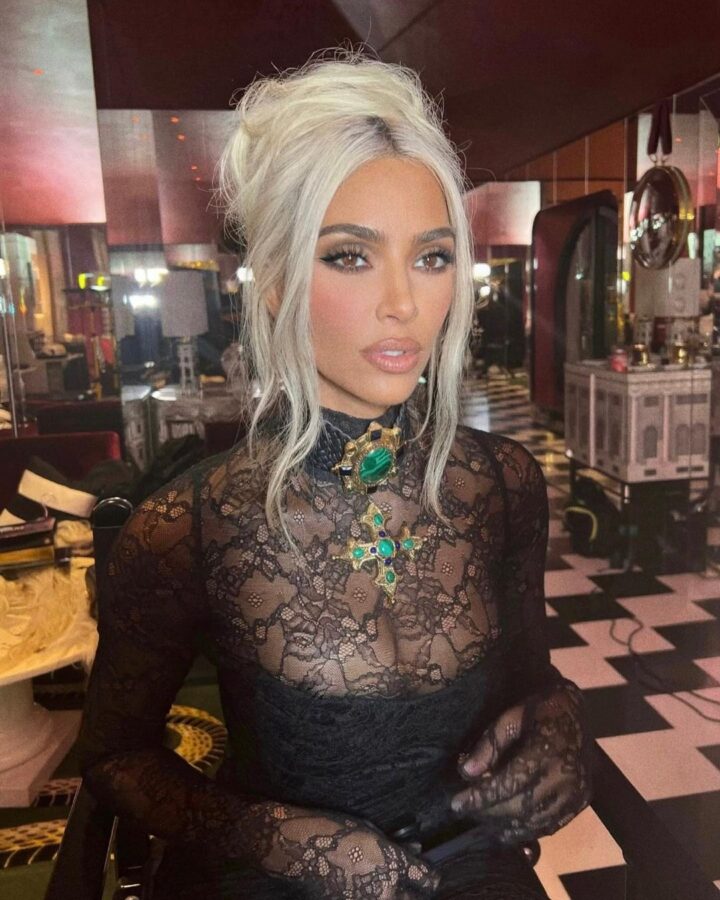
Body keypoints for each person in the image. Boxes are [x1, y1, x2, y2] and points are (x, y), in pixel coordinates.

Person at [77, 49, 593, 899]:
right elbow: (113, 758)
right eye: (351, 256)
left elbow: (532, 679)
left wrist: (561, 721)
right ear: (276, 280)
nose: (404, 303)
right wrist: (273, 838)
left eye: (431, 258)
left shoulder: (501, 484)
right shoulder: (190, 526)